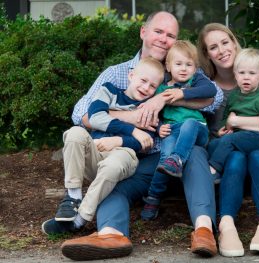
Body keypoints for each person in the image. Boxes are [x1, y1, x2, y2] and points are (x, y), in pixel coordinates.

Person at [41, 11, 223, 261]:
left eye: (171, 35)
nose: (163, 39)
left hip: (178, 157)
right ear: (143, 32)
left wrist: (166, 97)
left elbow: (216, 99)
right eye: (158, 31)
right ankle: (111, 234)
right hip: (139, 158)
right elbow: (81, 113)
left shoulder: (181, 68)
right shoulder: (118, 73)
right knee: (114, 181)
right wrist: (133, 117)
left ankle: (204, 231)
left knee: (196, 152)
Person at [197, 23, 259, 257]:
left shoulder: (258, 73)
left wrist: (237, 123)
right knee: (237, 157)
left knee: (258, 155)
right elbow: (213, 129)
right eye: (213, 47)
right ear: (207, 54)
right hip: (230, 165)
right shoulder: (206, 84)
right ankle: (226, 226)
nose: (222, 50)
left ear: (234, 42)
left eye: (225, 42)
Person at [42, 57, 165, 233]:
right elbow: (95, 117)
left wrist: (117, 140)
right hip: (96, 151)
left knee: (114, 164)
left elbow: (145, 143)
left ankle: (79, 220)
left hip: (124, 156)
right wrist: (133, 130)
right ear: (131, 75)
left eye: (152, 86)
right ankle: (73, 198)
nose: (146, 88)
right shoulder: (109, 90)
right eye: (143, 81)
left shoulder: (149, 110)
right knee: (74, 133)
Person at [141, 40, 217, 221]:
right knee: (164, 156)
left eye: (189, 65)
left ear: (195, 67)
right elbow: (155, 114)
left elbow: (211, 89)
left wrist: (183, 93)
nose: (184, 69)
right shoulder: (161, 88)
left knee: (189, 123)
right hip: (172, 129)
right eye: (178, 64)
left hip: (197, 129)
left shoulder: (195, 81)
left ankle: (177, 159)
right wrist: (159, 127)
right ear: (168, 66)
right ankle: (153, 197)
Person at [208, 48, 259, 177]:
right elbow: (227, 115)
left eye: (251, 73)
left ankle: (213, 169)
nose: (246, 77)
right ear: (235, 74)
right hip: (241, 137)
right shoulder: (234, 95)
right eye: (242, 73)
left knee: (229, 140)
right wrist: (223, 127)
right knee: (213, 144)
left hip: (258, 137)